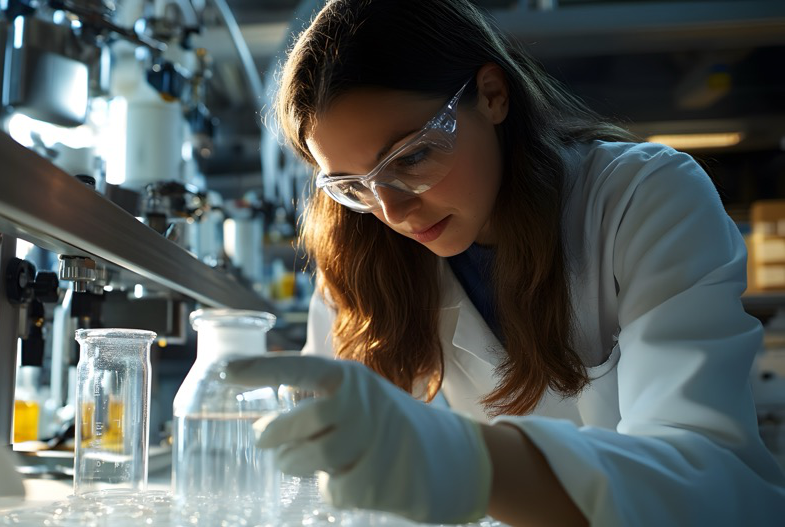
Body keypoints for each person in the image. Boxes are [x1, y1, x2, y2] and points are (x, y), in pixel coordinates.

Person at [222, 0, 785, 525]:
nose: (390, 210)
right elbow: (333, 469)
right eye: (352, 186)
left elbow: (705, 474)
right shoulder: (362, 257)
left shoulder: (641, 197)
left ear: (492, 95)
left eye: (413, 155)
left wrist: (471, 463)